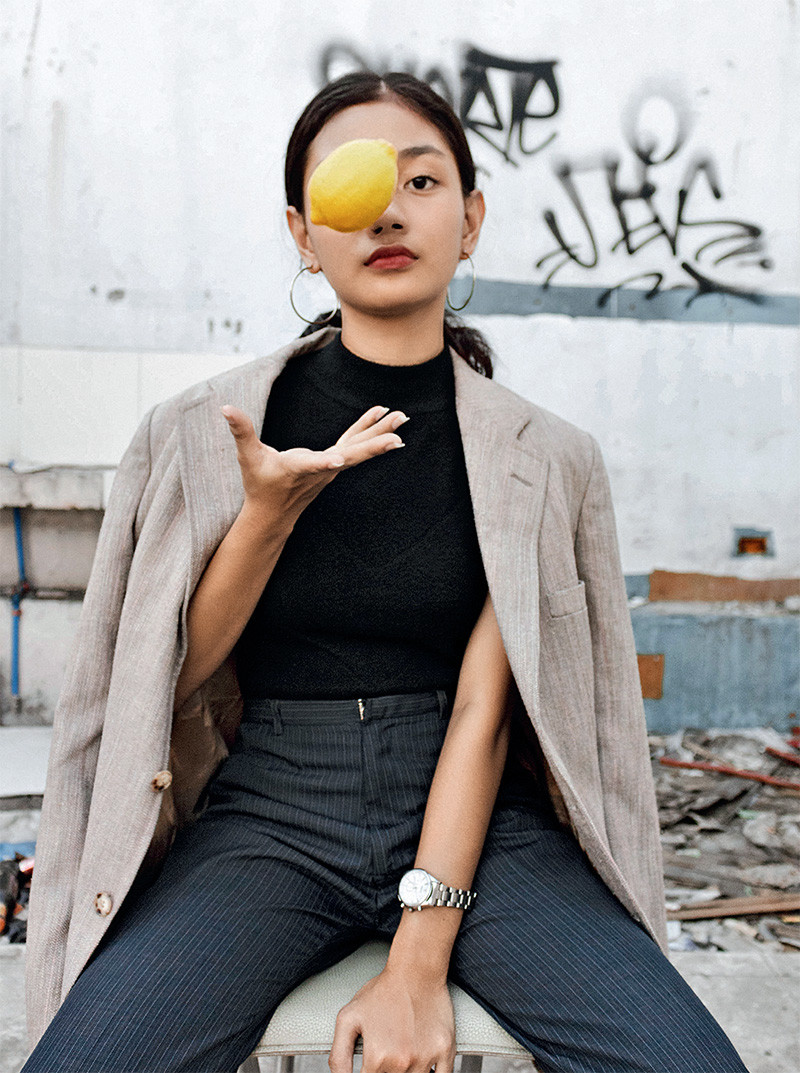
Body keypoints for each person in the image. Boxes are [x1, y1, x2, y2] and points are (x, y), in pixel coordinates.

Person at [22, 71, 748, 1073]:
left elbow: (485, 713)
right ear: (302, 232)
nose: (390, 211)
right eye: (356, 185)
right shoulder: (201, 431)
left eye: (422, 180)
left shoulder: (543, 458)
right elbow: (163, 683)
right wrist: (267, 517)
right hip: (270, 809)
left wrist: (418, 955)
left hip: (481, 819)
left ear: (471, 219)